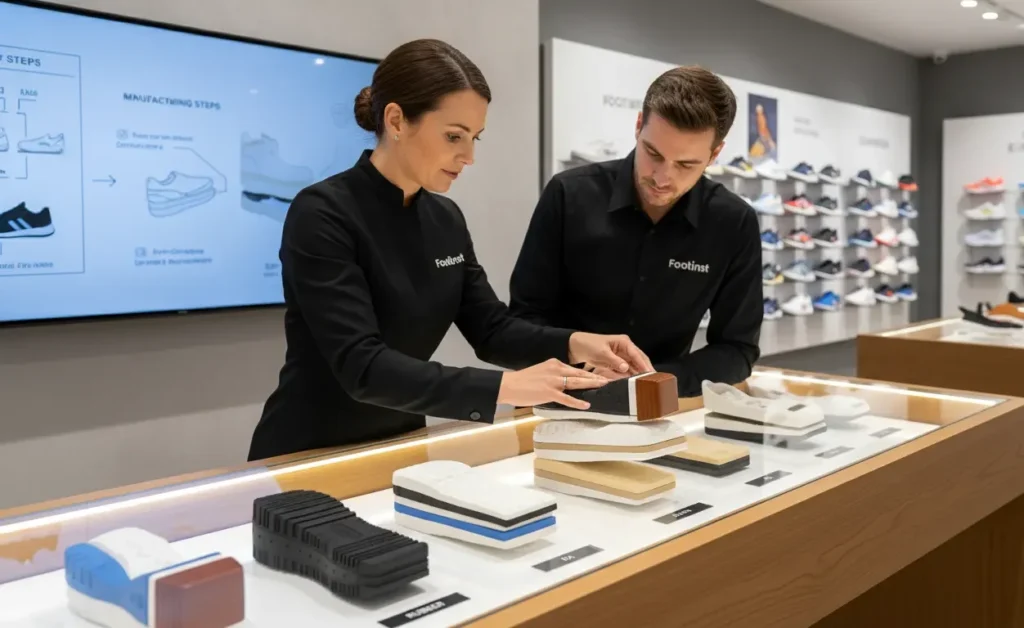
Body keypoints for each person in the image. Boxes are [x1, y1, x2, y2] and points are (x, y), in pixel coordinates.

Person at [248, 39, 652, 461]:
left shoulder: (445, 218)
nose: (469, 156)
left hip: (401, 442)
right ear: (396, 120)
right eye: (454, 136)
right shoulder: (322, 212)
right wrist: (505, 387)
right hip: (307, 450)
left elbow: (491, 329)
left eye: (475, 137)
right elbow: (361, 366)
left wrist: (576, 343)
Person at [508, 65, 762, 397]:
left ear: (715, 154)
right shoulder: (569, 194)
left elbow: (737, 349)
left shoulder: (733, 221)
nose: (662, 178)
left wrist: (653, 381)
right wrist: (581, 365)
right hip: (557, 398)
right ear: (639, 125)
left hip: (665, 405)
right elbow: (523, 321)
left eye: (686, 164)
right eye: (653, 153)